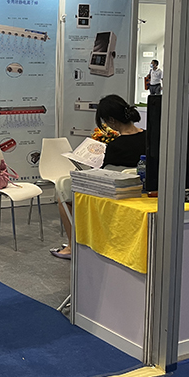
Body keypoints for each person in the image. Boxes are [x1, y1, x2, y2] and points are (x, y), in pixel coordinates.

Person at [50, 95, 145, 261]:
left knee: (63, 195)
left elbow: (105, 172)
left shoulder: (116, 145)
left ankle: (72, 246)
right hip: (143, 190)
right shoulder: (150, 137)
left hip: (115, 193)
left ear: (111, 120)